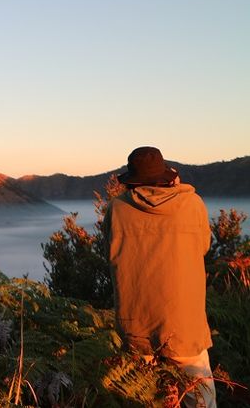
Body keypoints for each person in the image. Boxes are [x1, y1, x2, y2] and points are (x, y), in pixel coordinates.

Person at [103, 146, 216, 408]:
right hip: (184, 324)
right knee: (201, 400)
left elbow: (108, 251)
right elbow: (203, 247)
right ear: (166, 176)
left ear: (132, 179)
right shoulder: (192, 204)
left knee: (140, 397)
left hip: (136, 324)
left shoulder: (117, 209)